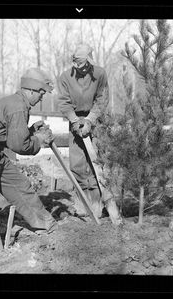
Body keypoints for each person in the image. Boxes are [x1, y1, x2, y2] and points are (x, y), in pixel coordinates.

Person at [0, 68, 57, 250]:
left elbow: (13, 136)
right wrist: (38, 139)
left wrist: (31, 132)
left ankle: (47, 224)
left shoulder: (18, 104)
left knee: (20, 186)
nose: (41, 98)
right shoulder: (17, 106)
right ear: (30, 90)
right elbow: (19, 146)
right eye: (41, 93)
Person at [58, 44, 122, 224]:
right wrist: (75, 121)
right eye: (80, 65)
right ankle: (81, 203)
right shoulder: (65, 77)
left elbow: (102, 99)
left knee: (97, 164)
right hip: (75, 121)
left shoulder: (100, 74)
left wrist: (90, 120)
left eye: (87, 64)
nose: (84, 68)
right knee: (77, 164)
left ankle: (97, 204)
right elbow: (64, 102)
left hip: (95, 120)